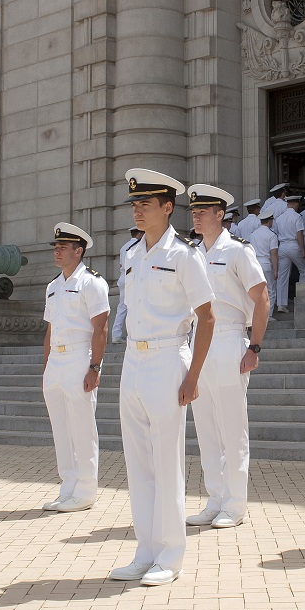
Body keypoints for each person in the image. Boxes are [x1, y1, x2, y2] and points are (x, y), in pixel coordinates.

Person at [110, 168, 215, 587]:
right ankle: (145, 551)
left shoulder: (185, 255)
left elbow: (207, 316)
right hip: (133, 362)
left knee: (166, 462)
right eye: (134, 204)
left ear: (167, 208)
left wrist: (193, 375)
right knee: (138, 465)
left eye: (145, 204)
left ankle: (170, 556)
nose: (137, 210)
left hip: (168, 358)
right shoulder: (131, 255)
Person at [185, 184, 269, 530]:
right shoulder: (190, 254)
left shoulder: (237, 251)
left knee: (232, 430)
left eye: (203, 211)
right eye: (194, 211)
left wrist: (255, 347)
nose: (197, 216)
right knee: (206, 428)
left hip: (230, 337)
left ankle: (235, 505)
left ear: (221, 214)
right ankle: (215, 498)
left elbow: (262, 298)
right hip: (198, 343)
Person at [41, 222, 109, 513]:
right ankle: (67, 486)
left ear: (78, 251)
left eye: (63, 247)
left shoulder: (92, 282)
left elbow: (101, 327)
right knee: (61, 427)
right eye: (56, 247)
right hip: (56, 360)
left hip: (80, 357)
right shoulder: (53, 286)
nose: (57, 251)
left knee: (82, 427)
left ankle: (85, 490)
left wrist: (95, 366)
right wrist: (47, 366)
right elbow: (50, 329)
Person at [273, 194, 305, 313]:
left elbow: (275, 234)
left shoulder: (279, 218)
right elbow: (299, 234)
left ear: (287, 204)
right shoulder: (297, 217)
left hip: (282, 246)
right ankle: (302, 299)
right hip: (294, 245)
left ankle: (281, 304)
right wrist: (303, 249)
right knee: (304, 270)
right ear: (296, 204)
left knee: (282, 276)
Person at [112, 226, 144, 344]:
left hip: (123, 277)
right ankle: (134, 333)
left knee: (122, 307)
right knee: (136, 305)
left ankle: (116, 334)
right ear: (140, 234)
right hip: (133, 278)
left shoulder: (123, 247)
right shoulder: (138, 246)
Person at [249, 208, 279, 317]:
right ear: (270, 221)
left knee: (256, 291)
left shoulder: (253, 234)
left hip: (255, 264)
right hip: (266, 264)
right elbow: (274, 253)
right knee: (270, 290)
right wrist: (276, 270)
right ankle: (268, 315)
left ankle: (256, 315)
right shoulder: (272, 235)